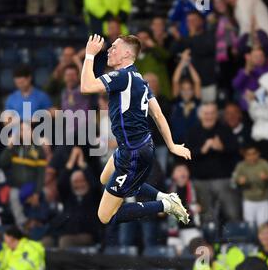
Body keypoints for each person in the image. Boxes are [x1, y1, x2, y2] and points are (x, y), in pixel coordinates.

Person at [79, 34, 191, 229]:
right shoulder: (139, 79)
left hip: (132, 152)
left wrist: (89, 55)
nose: (109, 50)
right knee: (105, 178)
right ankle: (163, 196)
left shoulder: (121, 76)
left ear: (127, 53)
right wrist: (171, 145)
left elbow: (86, 86)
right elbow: (158, 115)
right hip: (137, 146)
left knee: (105, 216)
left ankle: (165, 204)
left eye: (114, 47)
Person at [186, 103, 241, 223]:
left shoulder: (225, 129)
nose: (209, 116)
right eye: (206, 113)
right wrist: (202, 150)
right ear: (200, 115)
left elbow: (236, 150)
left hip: (223, 180)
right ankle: (209, 241)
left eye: (212, 113)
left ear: (216, 115)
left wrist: (222, 148)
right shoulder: (193, 131)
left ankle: (234, 240)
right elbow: (185, 154)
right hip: (201, 181)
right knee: (207, 218)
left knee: (232, 214)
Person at [0, 121, 47, 230]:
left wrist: (37, 193)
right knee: (13, 195)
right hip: (17, 187)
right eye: (21, 130)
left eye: (27, 130)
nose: (24, 133)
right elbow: (2, 163)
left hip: (33, 187)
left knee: (43, 196)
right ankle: (23, 225)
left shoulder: (39, 150)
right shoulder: (14, 149)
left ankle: (37, 227)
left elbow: (41, 174)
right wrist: (9, 147)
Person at [171, 10, 217, 103]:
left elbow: (205, 49)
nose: (191, 23)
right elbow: (172, 52)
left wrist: (193, 36)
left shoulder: (209, 35)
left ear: (201, 21)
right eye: (188, 21)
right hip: (189, 87)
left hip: (207, 82)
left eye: (194, 20)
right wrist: (178, 39)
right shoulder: (184, 38)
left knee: (208, 110)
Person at [231, 144, 268, 228]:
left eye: (254, 153)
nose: (251, 156)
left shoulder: (264, 164)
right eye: (248, 154)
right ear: (245, 155)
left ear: (258, 154)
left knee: (264, 226)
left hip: (263, 200)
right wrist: (238, 181)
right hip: (248, 201)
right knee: (249, 226)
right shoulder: (241, 166)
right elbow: (232, 183)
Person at [245, 71, 268, 173]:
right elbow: (254, 115)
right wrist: (251, 102)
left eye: (264, 85)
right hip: (262, 140)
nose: (262, 88)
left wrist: (260, 103)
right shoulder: (259, 95)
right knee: (262, 170)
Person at [170, 50, 201, 145]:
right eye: (183, 89)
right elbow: (175, 81)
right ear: (179, 90)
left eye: (189, 89)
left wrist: (189, 64)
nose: (186, 92)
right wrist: (182, 63)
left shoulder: (196, 101)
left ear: (193, 91)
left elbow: (197, 81)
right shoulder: (176, 101)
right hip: (178, 143)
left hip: (195, 142)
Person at [135, 29, 171, 99]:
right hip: (142, 96)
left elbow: (167, 57)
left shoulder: (156, 53)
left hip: (161, 95)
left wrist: (154, 46)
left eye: (145, 38)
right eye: (140, 38)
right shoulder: (134, 56)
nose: (142, 41)